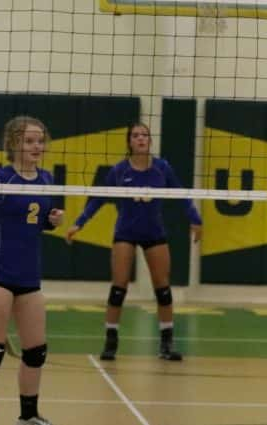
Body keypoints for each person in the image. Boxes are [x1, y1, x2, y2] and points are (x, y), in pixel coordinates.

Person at [66, 122, 202, 361]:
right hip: (126, 233)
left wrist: (195, 219)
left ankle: (166, 343)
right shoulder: (119, 171)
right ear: (129, 142)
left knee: (163, 289)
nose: (141, 139)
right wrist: (79, 222)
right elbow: (98, 199)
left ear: (150, 140)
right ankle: (111, 340)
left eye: (145, 135)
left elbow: (181, 194)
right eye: (136, 136)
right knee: (119, 289)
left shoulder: (162, 168)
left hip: (154, 233)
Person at [0, 116, 64, 425]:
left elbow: (39, 221)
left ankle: (28, 415)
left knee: (36, 350)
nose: (37, 146)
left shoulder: (47, 179)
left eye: (40, 141)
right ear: (13, 144)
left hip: (29, 275)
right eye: (29, 141)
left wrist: (52, 222)